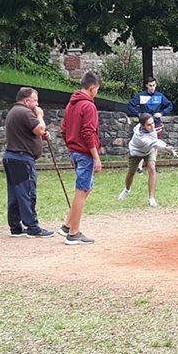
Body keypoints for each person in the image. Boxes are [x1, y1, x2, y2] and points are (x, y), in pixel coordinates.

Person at [2, 87, 55, 238]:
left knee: (15, 193)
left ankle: (15, 226)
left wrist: (40, 135)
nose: (37, 104)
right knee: (27, 192)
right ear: (26, 101)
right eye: (35, 101)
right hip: (22, 159)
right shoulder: (25, 112)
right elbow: (39, 128)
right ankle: (32, 226)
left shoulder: (14, 111)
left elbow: (30, 132)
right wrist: (40, 116)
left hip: (11, 157)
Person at [59, 71, 102, 245]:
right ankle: (73, 233)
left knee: (86, 188)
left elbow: (64, 129)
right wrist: (96, 156)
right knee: (82, 190)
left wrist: (71, 148)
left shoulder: (71, 104)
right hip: (84, 153)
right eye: (97, 89)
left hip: (75, 151)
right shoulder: (88, 106)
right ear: (92, 88)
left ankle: (68, 225)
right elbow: (88, 132)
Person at [118, 113, 177, 207]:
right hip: (136, 152)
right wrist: (166, 147)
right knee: (131, 173)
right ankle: (127, 190)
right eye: (149, 125)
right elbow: (155, 143)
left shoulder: (150, 127)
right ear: (142, 125)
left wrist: (166, 147)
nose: (152, 126)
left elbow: (155, 142)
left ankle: (151, 198)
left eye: (152, 123)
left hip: (149, 151)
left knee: (152, 168)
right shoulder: (140, 136)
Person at [127, 76, 174, 173]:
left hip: (156, 123)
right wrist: (138, 114)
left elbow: (170, 105)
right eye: (150, 86)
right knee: (142, 145)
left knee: (155, 144)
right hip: (144, 124)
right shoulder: (141, 96)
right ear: (146, 86)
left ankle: (152, 165)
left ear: (156, 85)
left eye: (154, 85)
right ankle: (139, 168)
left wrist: (161, 113)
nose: (152, 87)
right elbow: (130, 105)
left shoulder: (160, 96)